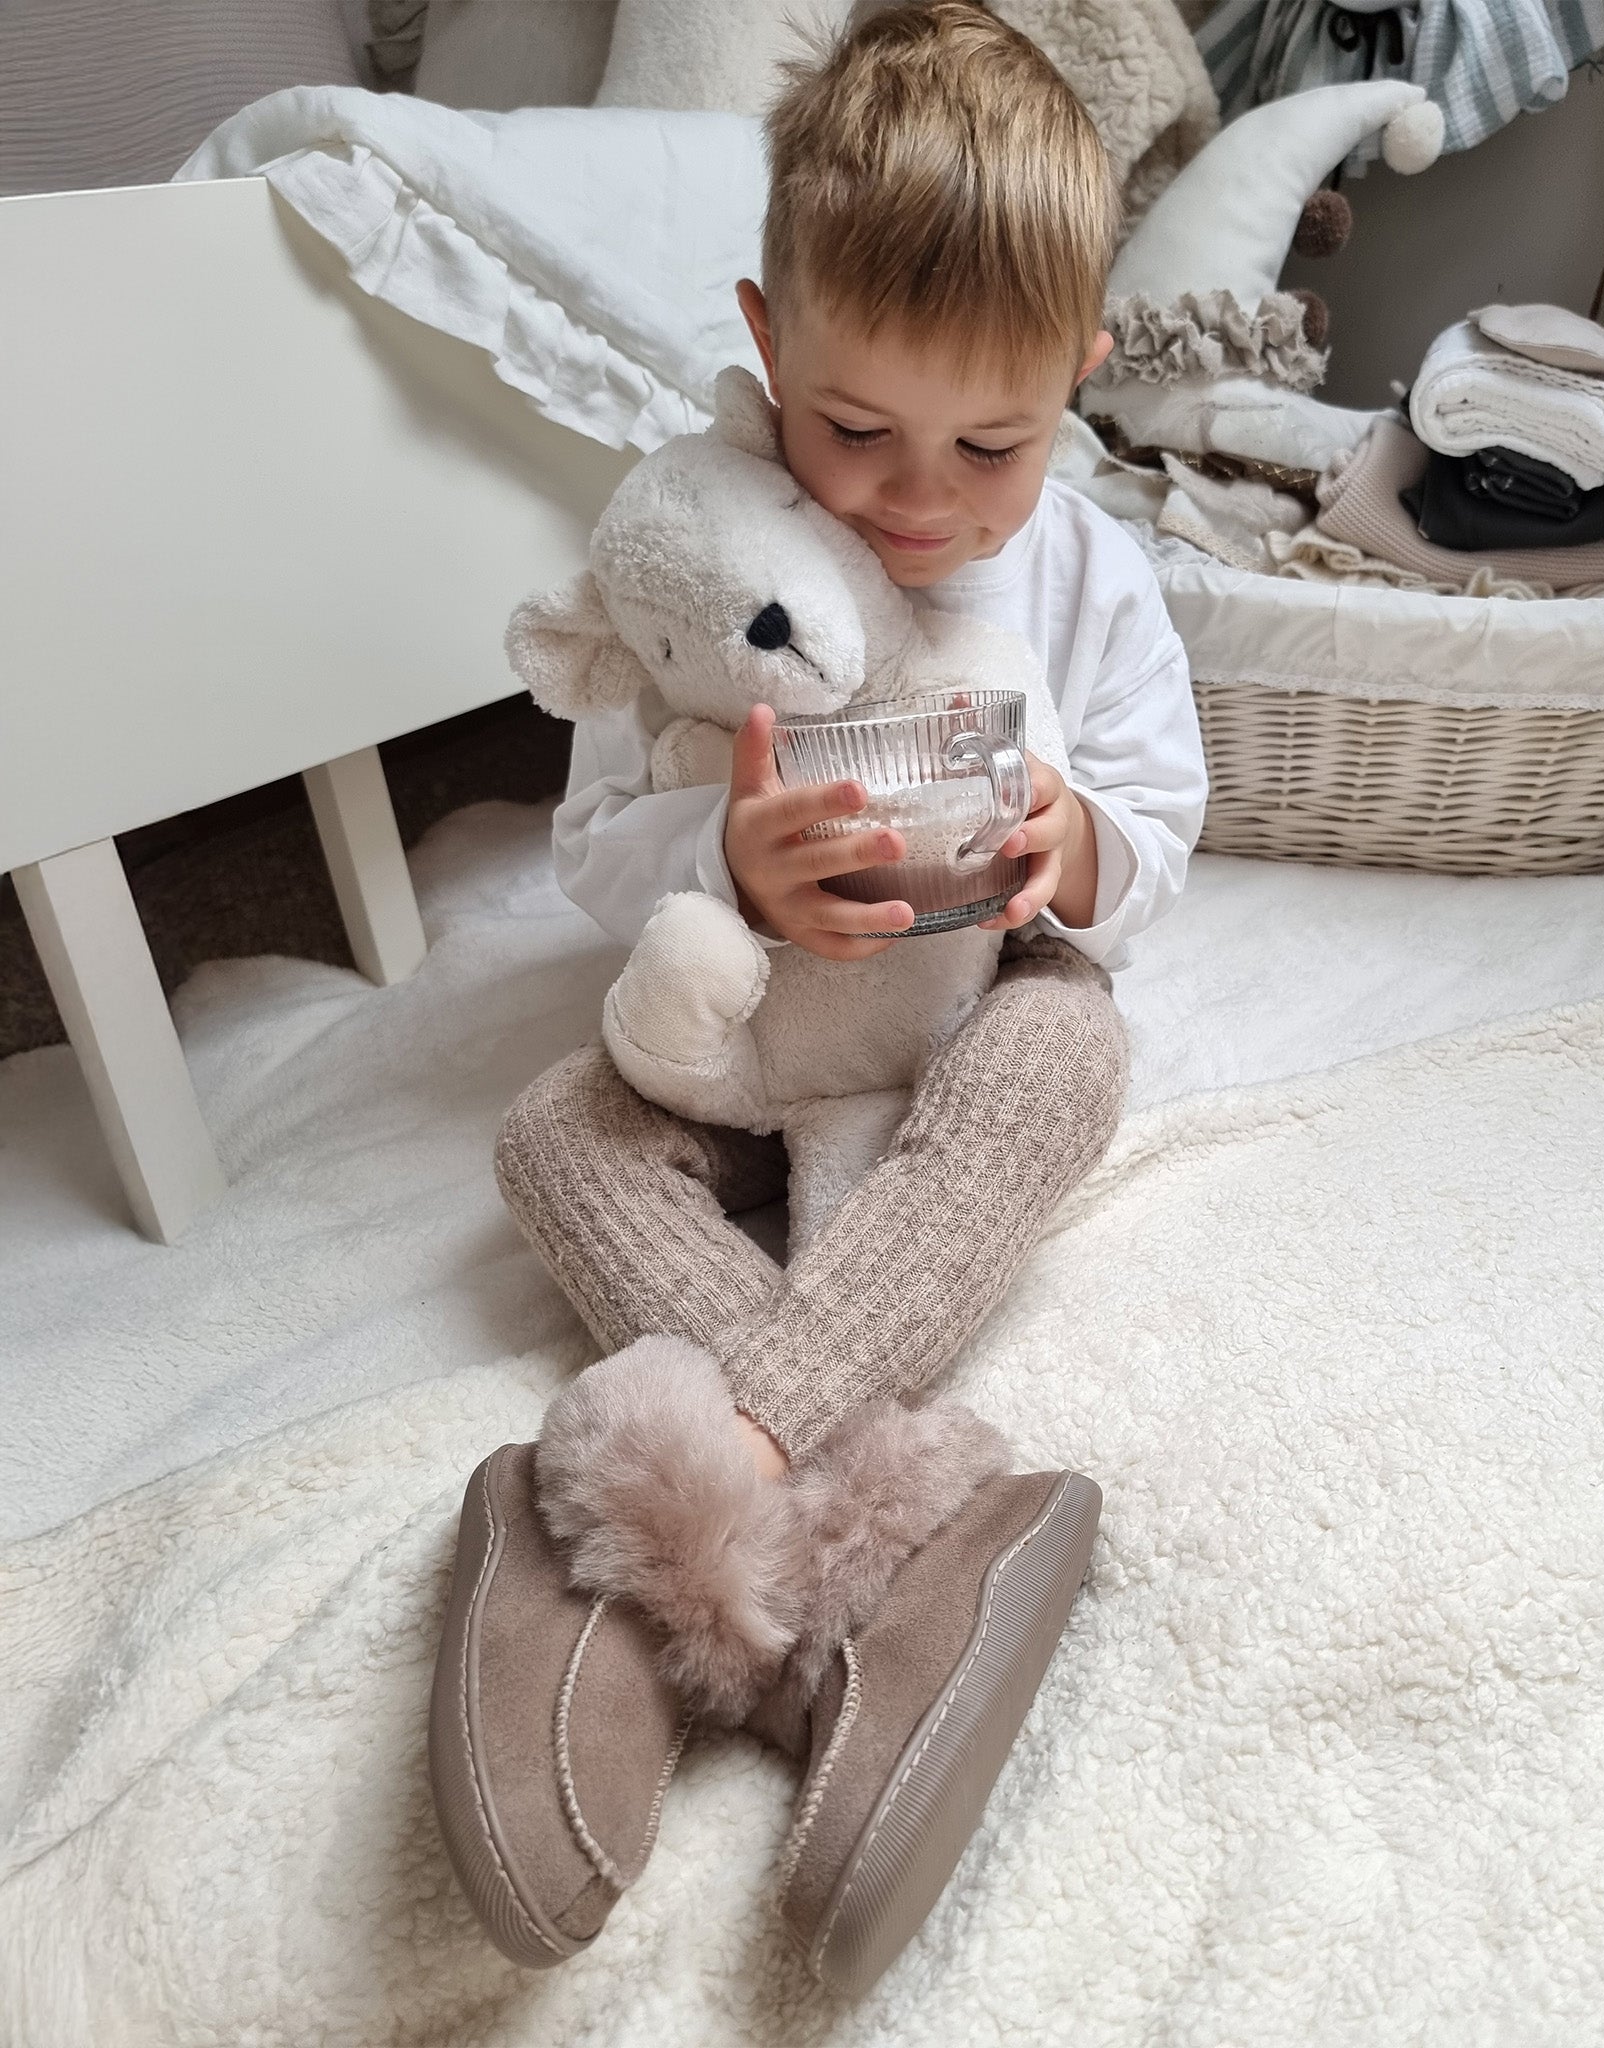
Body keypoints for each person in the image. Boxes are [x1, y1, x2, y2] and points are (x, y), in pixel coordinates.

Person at [428, 0, 1208, 1995]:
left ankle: (622, 1529)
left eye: (992, 444)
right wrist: (724, 865)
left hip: (953, 1031)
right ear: (770, 344)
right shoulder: (704, 542)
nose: (918, 500)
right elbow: (597, 826)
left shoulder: (1093, 581)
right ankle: (882, 1578)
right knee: (548, 1131)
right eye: (853, 429)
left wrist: (1071, 846)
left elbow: (1159, 813)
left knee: (1070, 1041)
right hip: (743, 1022)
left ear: (1076, 382)